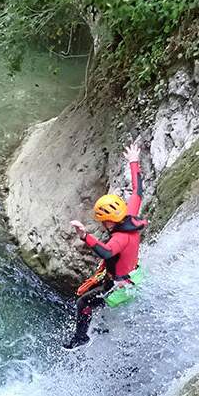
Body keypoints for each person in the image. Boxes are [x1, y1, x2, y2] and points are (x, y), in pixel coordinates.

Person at [65, 143, 147, 348]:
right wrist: (134, 162)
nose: (103, 225)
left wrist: (85, 236)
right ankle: (101, 323)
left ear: (109, 220)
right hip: (134, 273)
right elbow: (138, 191)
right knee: (93, 290)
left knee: (84, 302)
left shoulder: (119, 238)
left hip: (121, 286)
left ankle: (81, 338)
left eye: (103, 221)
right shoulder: (130, 215)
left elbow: (107, 251)